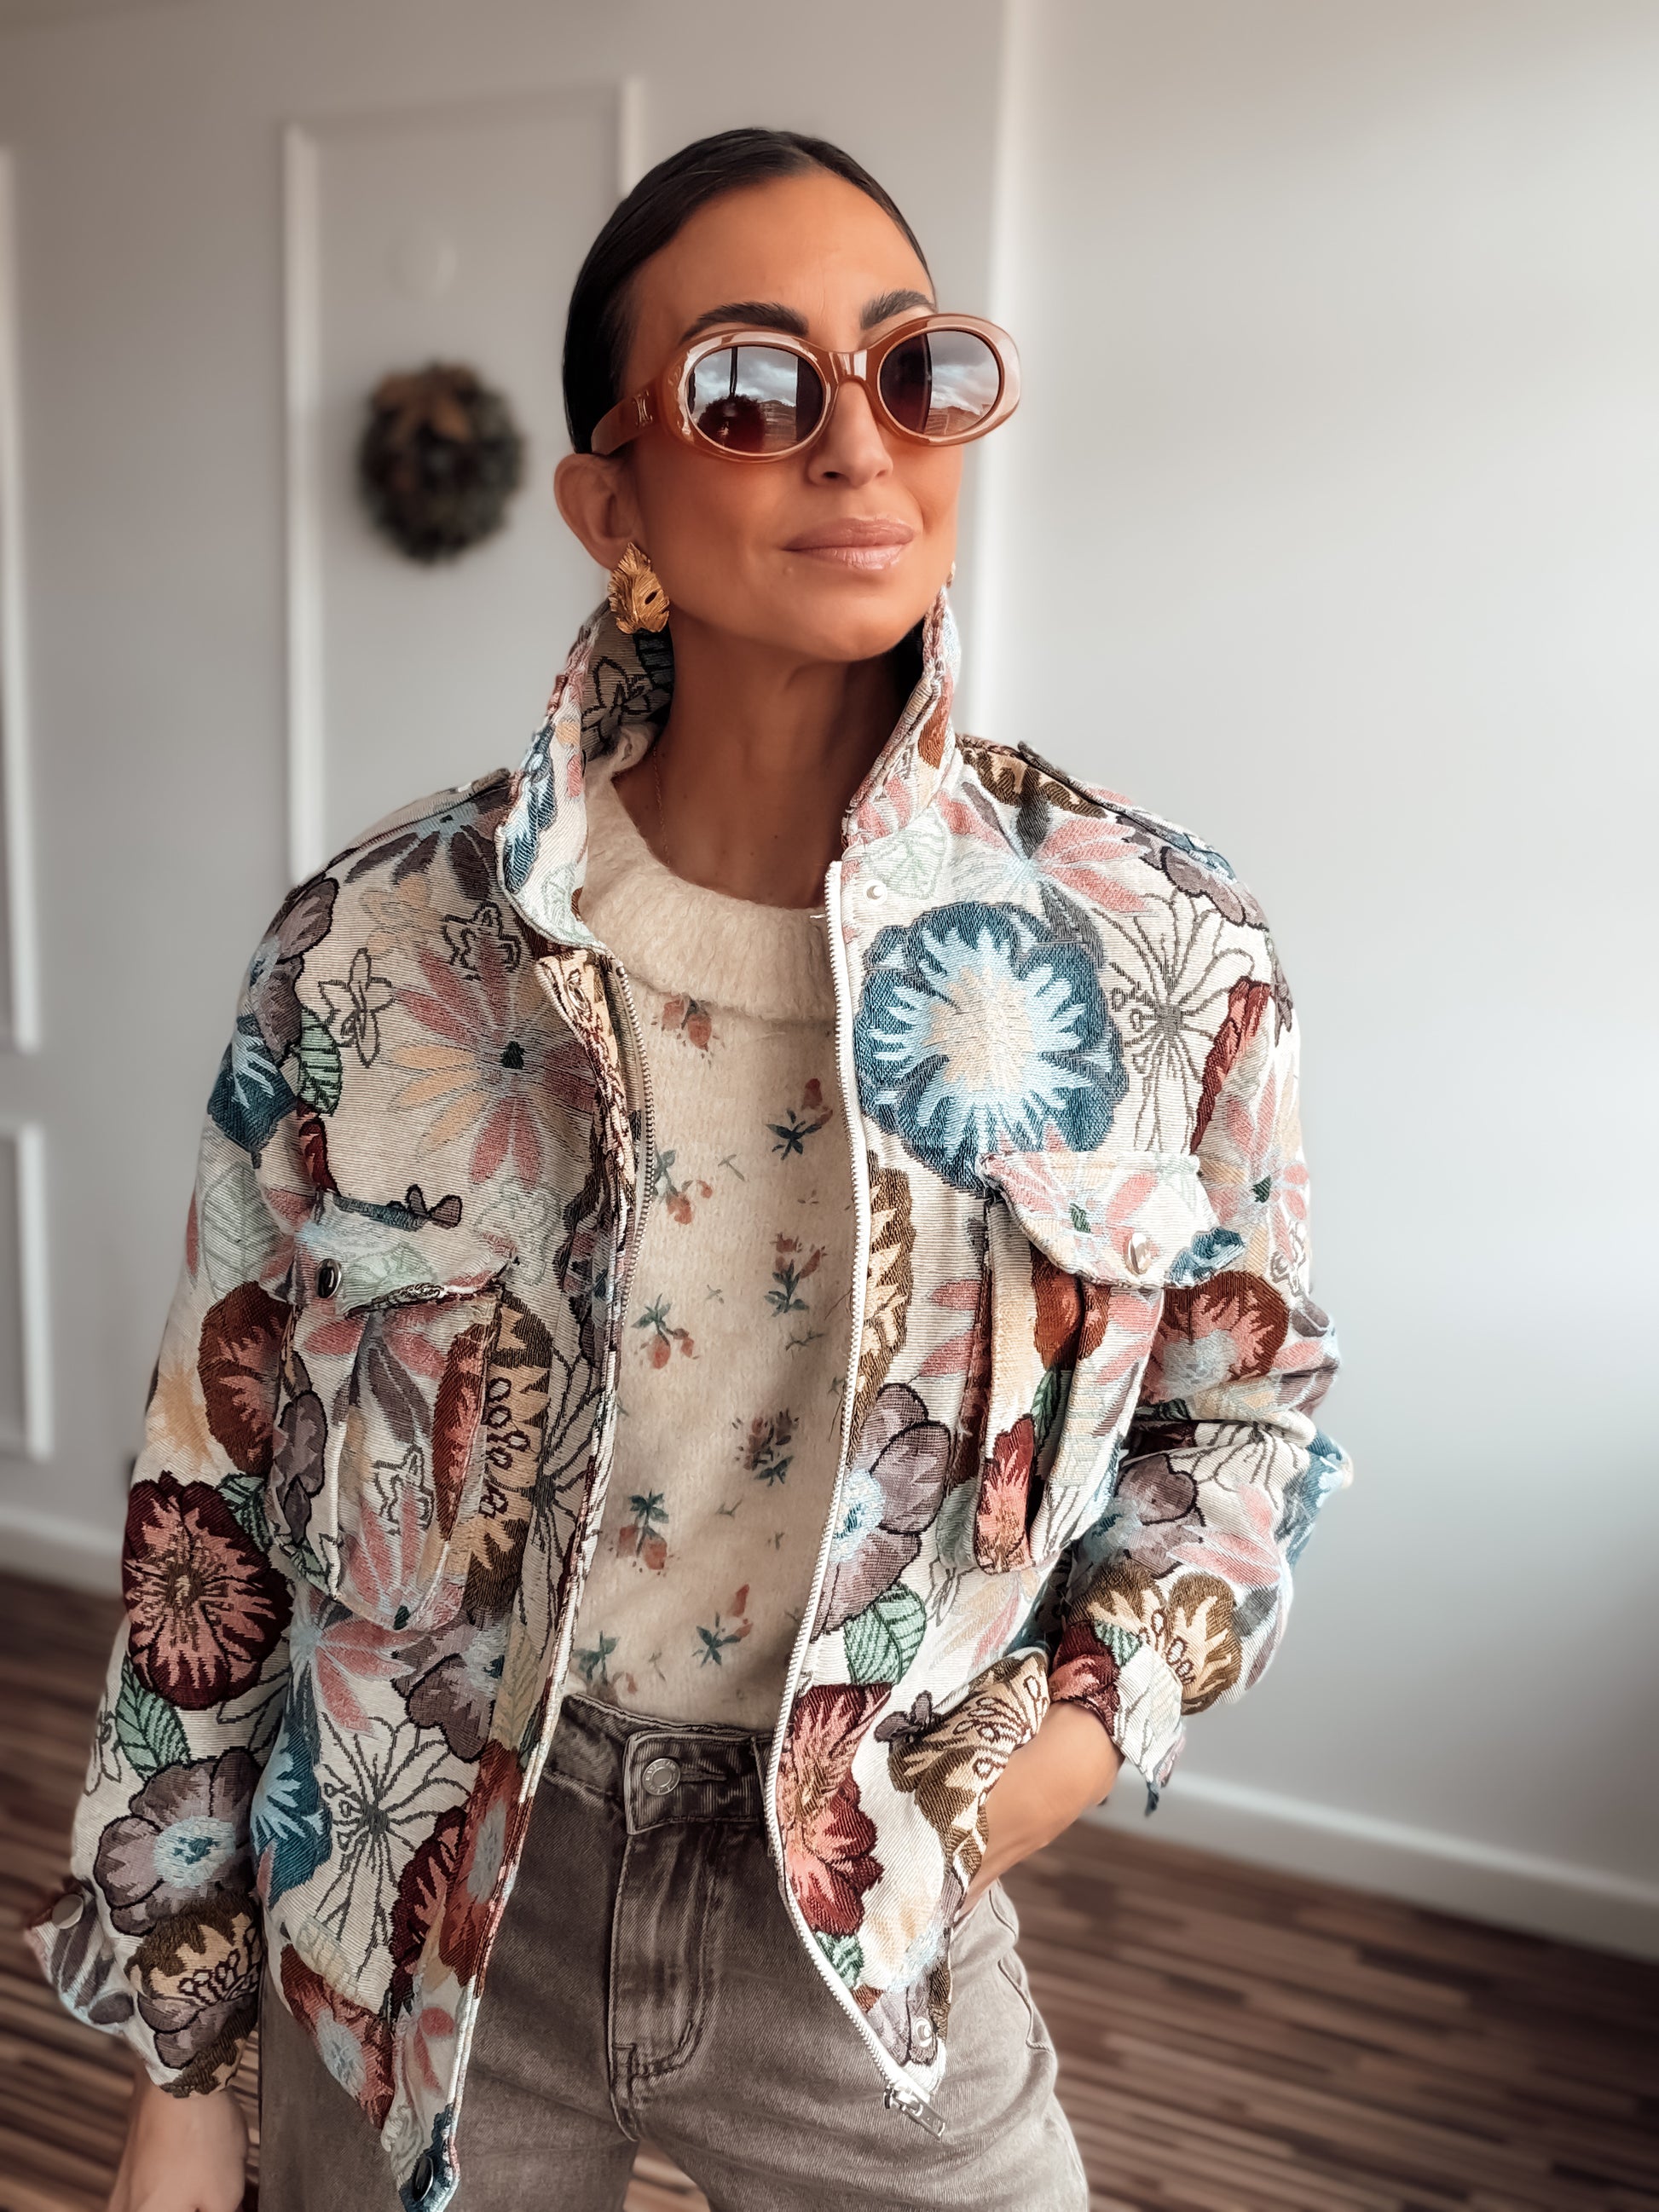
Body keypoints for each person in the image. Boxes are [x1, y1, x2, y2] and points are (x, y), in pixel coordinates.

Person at [31, 126, 1348, 2212]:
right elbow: (217, 1493)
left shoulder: (1152, 954)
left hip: (866, 1888)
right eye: (752, 385)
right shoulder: (379, 947)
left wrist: (1055, 1749)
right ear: (609, 505)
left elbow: (1246, 1410)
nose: (858, 443)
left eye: (912, 368)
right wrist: (183, 2059)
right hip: (419, 1874)